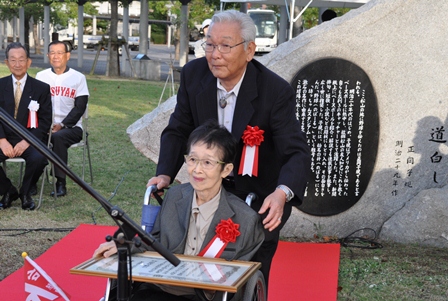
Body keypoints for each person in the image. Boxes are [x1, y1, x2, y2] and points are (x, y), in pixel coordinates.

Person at [147, 10, 311, 290]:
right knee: (191, 261)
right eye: (209, 44)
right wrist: (164, 173)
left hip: (258, 193)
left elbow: (296, 151)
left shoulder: (274, 90)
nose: (215, 54)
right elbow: (178, 128)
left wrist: (282, 193)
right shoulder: (194, 74)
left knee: (248, 274)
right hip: (208, 189)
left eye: (225, 45)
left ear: (249, 50)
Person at [94, 120, 264, 301]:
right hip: (158, 289)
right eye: (192, 160)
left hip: (202, 296)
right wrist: (125, 246)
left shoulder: (245, 219)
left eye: (207, 162)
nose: (197, 170)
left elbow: (242, 279)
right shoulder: (174, 197)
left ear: (226, 169)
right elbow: (154, 241)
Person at [0, 42, 52, 210]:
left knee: (39, 158)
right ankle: (8, 191)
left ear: (28, 62)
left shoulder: (41, 88)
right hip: (4, 137)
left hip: (30, 138)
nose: (17, 64)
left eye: (21, 59)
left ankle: (25, 192)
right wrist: (2, 140)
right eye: (13, 60)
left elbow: (45, 120)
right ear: (6, 63)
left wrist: (27, 141)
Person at [36, 40, 89, 197]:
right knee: (31, 136)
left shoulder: (78, 78)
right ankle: (31, 181)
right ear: (48, 55)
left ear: (67, 56)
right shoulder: (41, 76)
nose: (56, 56)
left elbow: (80, 107)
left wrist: (63, 124)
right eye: (52, 53)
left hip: (71, 128)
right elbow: (35, 104)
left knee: (57, 138)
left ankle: (60, 183)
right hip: (45, 126)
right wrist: (44, 125)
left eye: (60, 53)